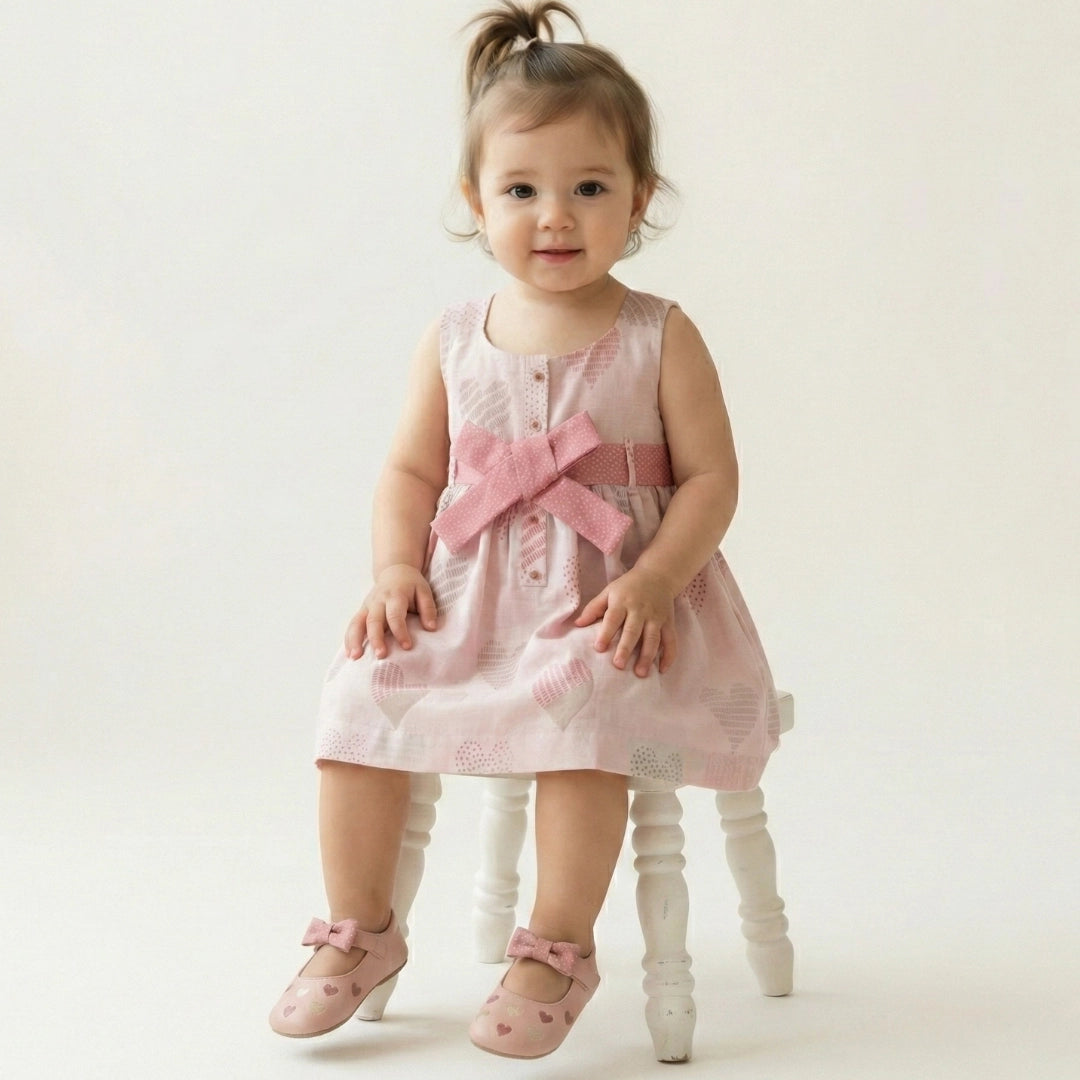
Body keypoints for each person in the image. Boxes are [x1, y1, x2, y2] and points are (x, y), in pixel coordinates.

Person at [269, 0, 781, 1059]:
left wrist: (654, 581)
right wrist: (393, 568)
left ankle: (553, 944)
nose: (556, 216)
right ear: (475, 201)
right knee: (361, 687)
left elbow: (715, 479)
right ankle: (360, 929)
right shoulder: (456, 337)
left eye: (590, 188)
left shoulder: (659, 335)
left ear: (639, 199)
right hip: (473, 600)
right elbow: (411, 467)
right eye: (522, 190)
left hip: (614, 608)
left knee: (586, 712)